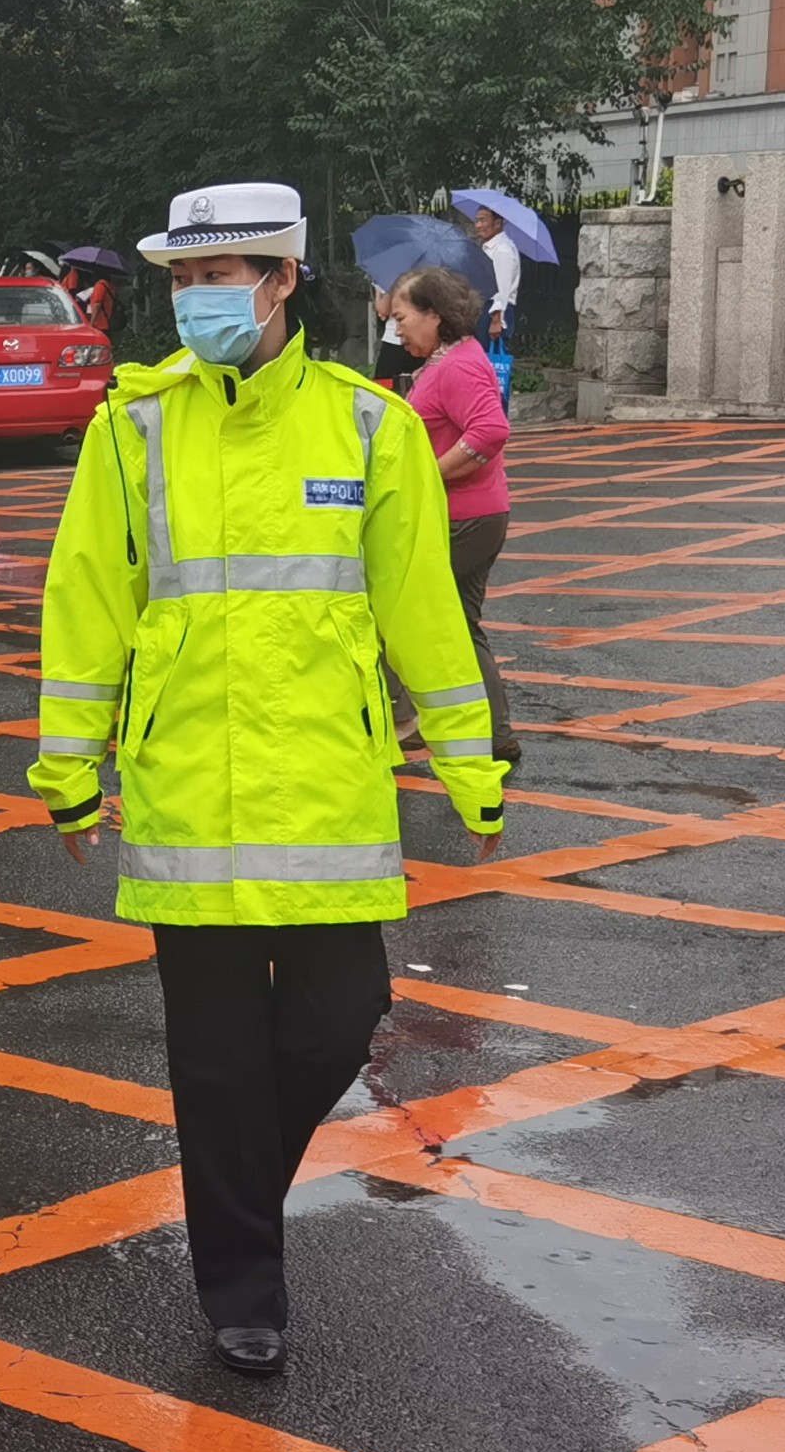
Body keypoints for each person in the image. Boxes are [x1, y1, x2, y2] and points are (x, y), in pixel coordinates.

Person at [27, 183, 508, 1377]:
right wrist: (68, 770)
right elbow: (88, 602)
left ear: (283, 279)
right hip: (186, 789)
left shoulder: (367, 427)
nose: (198, 301)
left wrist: (469, 763)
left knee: (341, 1020)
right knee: (215, 1062)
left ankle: (234, 1181)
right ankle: (243, 1281)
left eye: (221, 276)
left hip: (326, 792)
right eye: (184, 281)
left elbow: (420, 611)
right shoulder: (133, 425)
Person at [391, 264, 518, 769]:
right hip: (478, 514)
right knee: (463, 626)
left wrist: (429, 474)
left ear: (434, 315)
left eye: (402, 316)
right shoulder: (453, 360)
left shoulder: (458, 365)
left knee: (404, 612)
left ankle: (406, 721)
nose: (397, 327)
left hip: (463, 518)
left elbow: (489, 431)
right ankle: (493, 734)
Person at [468, 203, 525, 400]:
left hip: (495, 313)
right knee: (484, 367)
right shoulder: (489, 248)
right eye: (477, 220)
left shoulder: (503, 250)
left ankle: (497, 413)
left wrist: (496, 320)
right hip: (487, 310)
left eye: (483, 220)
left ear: (498, 223)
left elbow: (502, 289)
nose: (478, 225)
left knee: (494, 367)